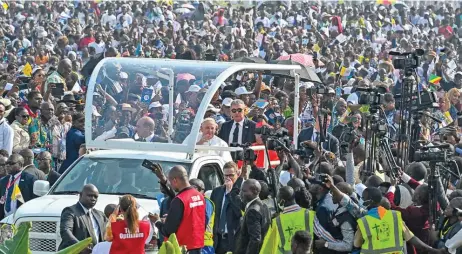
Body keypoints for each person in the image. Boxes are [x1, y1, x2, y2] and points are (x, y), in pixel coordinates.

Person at [352, 187, 444, 254]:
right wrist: (435, 250)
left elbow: (356, 244)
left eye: (363, 198)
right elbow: (413, 239)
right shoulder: (395, 216)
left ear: (370, 201)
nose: (361, 200)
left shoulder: (363, 222)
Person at [152, 165, 205, 254]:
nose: (171, 185)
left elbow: (168, 231)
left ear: (175, 180)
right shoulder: (199, 195)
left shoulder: (180, 200)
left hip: (182, 248)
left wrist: (157, 221)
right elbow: (190, 217)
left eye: (171, 182)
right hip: (198, 245)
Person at [260, 186, 315, 253]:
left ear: (282, 201)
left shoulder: (275, 222)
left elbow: (268, 247)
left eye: (277, 198)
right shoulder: (311, 214)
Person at [58, 184, 107, 252]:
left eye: (95, 197)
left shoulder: (100, 215)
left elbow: (108, 233)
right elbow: (66, 231)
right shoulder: (70, 211)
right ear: (80, 195)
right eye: (90, 195)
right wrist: (80, 247)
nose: (93, 199)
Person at [210, 161, 243, 254]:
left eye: (231, 175)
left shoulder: (241, 192)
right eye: (225, 175)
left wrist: (229, 193)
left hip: (233, 238)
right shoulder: (217, 192)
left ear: (237, 174)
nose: (228, 178)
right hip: (218, 238)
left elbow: (239, 212)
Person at [235, 179, 270, 254]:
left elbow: (255, 239)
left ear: (255, 191)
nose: (241, 193)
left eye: (244, 191)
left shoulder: (252, 211)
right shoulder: (264, 206)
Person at [0, 154, 37, 220]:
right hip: (4, 219)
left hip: (21, 219)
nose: (7, 165)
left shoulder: (30, 179)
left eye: (11, 163)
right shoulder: (3, 180)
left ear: (20, 164)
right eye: (6, 163)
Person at [190, 178, 215, 254]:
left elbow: (203, 223)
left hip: (205, 245)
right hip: (195, 244)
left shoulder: (206, 203)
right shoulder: (194, 202)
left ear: (196, 189)